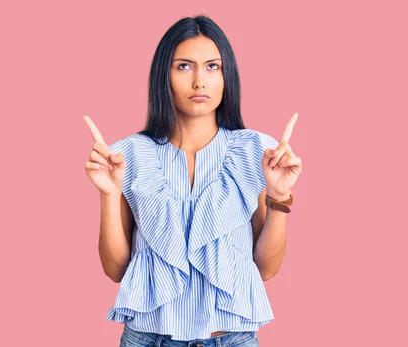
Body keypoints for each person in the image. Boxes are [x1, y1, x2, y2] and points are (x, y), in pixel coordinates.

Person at [83, 15, 302, 346]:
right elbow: (116, 270)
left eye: (213, 67)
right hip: (148, 338)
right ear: (164, 76)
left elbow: (266, 269)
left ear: (227, 75)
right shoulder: (128, 155)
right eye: (184, 66)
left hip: (232, 339)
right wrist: (109, 193)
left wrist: (279, 194)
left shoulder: (254, 151)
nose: (200, 81)